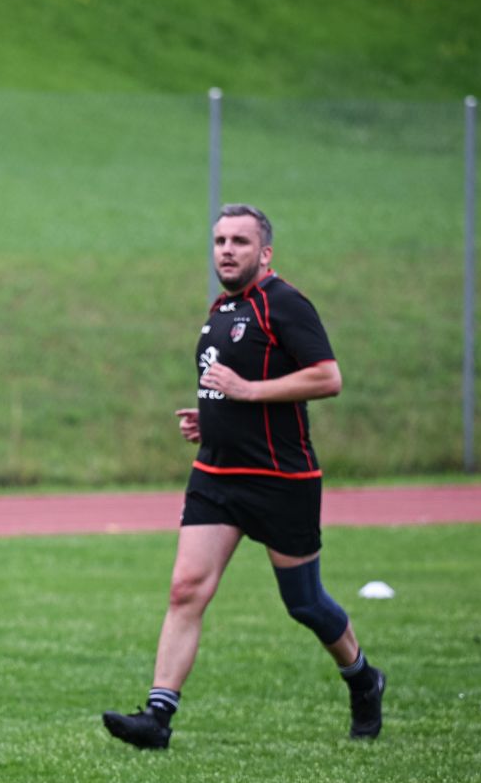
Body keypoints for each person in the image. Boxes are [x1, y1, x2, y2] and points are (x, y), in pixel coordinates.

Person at [102, 204, 385, 749]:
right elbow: (232, 384)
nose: (226, 250)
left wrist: (249, 394)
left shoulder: (286, 304)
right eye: (219, 241)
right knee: (186, 589)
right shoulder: (222, 308)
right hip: (216, 475)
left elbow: (329, 377)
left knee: (305, 603)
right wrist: (209, 415)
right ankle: (158, 717)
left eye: (239, 241)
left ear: (265, 252)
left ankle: (363, 678)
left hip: (281, 480)